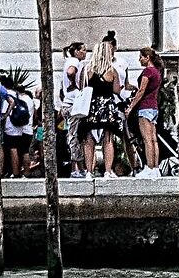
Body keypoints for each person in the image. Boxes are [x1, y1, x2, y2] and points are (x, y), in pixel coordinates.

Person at [84, 33, 123, 176]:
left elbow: (84, 87)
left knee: (89, 139)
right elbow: (116, 90)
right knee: (108, 138)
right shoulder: (112, 71)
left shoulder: (88, 70)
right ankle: (107, 170)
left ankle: (88, 170)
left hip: (92, 105)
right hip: (107, 105)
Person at [129, 46, 165, 175]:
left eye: (141, 57)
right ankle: (155, 168)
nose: (139, 60)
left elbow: (141, 91)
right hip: (154, 107)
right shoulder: (157, 72)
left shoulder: (147, 72)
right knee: (154, 139)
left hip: (145, 107)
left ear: (147, 57)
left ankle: (149, 167)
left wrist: (131, 107)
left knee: (147, 139)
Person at [59, 41, 89, 177]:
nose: (85, 53)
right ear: (76, 51)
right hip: (72, 103)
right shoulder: (74, 61)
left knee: (73, 134)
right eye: (83, 50)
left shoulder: (70, 61)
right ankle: (76, 168)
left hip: (67, 102)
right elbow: (71, 72)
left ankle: (78, 167)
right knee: (73, 136)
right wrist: (73, 85)